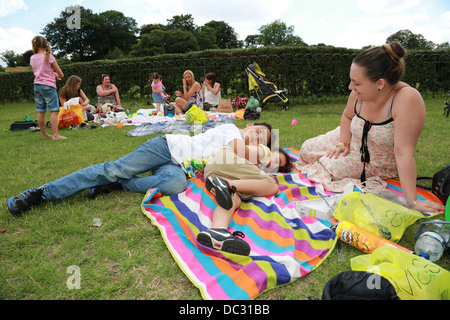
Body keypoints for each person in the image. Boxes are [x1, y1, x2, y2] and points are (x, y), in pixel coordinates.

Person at [295, 41, 445, 214]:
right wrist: (343, 143)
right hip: (351, 138)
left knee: (330, 168)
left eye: (356, 83)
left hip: (372, 160)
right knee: (306, 149)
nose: (351, 87)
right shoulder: (356, 94)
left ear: (379, 83)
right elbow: (347, 116)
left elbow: (403, 152)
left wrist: (411, 201)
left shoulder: (407, 100)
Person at [7, 122, 273, 218]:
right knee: (114, 169)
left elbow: (244, 173)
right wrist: (263, 154)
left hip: (176, 165)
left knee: (175, 185)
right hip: (166, 147)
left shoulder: (238, 148)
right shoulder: (232, 131)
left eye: (264, 140)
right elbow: (243, 153)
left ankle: (117, 185)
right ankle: (41, 193)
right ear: (249, 125)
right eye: (259, 132)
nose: (259, 139)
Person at [197, 147, 293, 255]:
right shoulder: (262, 150)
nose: (274, 165)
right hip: (225, 160)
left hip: (212, 173)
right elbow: (246, 152)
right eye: (277, 160)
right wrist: (262, 175)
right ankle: (227, 184)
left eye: (277, 166)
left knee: (233, 199)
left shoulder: (250, 170)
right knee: (272, 186)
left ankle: (218, 230)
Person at [29, 36, 66, 140]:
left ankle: (44, 134)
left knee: (41, 111)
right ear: (45, 45)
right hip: (48, 86)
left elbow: (39, 72)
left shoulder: (32, 58)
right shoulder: (49, 57)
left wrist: (52, 75)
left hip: (37, 86)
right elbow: (61, 74)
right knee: (54, 110)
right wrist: (57, 75)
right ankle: (55, 135)